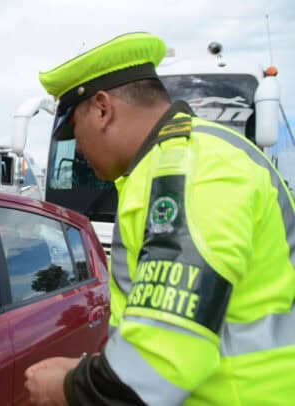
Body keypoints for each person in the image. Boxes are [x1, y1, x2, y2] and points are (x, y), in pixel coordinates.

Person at [24, 32, 295, 405]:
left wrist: (70, 387)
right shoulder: (186, 158)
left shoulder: (190, 171)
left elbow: (160, 361)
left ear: (102, 109)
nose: (79, 150)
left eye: (74, 132)